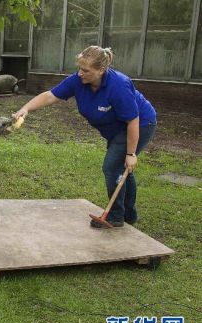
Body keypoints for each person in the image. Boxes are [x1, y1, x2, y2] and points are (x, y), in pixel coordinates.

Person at [13, 46, 157, 228]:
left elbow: (133, 120)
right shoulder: (78, 81)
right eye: (79, 68)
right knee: (122, 170)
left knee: (112, 167)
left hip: (140, 124)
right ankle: (129, 215)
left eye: (86, 70)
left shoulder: (119, 85)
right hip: (117, 129)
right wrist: (25, 109)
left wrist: (131, 154)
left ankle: (115, 216)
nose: (80, 73)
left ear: (101, 70)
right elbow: (51, 96)